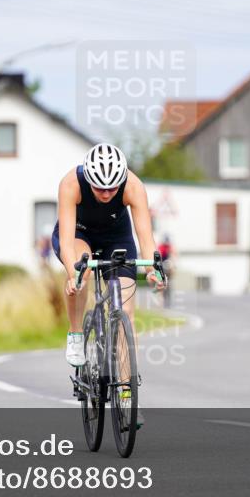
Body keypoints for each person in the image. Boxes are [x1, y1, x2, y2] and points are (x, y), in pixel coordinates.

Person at [51, 143, 165, 372]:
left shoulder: (133, 186)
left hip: (116, 238)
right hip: (78, 233)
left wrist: (153, 269)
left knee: (126, 312)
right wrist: (73, 276)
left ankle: (125, 391)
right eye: (99, 188)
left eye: (112, 189)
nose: (105, 194)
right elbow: (65, 241)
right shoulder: (70, 183)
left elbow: (145, 237)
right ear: (89, 179)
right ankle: (75, 333)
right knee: (83, 266)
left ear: (121, 180)